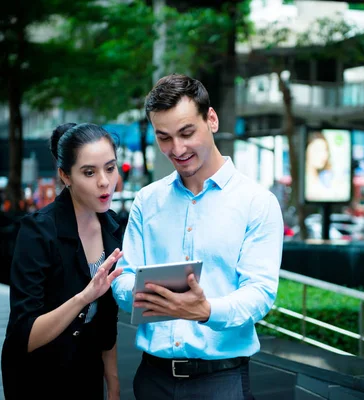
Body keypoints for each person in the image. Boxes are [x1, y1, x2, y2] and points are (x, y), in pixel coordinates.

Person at [111, 73, 284, 399]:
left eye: (187, 132)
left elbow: (260, 293)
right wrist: (132, 292)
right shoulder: (147, 201)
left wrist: (206, 311)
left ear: (212, 120)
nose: (177, 149)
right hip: (153, 378)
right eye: (164, 137)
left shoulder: (256, 202)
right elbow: (125, 277)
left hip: (221, 381)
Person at [1, 122, 125, 400]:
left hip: (86, 371)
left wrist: (113, 383)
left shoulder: (113, 227)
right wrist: (84, 297)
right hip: (38, 377)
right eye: (89, 172)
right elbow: (24, 336)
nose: (104, 181)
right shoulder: (38, 232)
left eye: (110, 167)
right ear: (65, 176)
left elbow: (107, 321)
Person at [304, 131, 334, 201]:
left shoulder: (327, 179)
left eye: (325, 150)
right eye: (318, 150)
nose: (324, 155)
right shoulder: (303, 182)